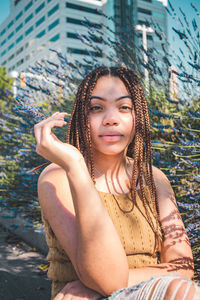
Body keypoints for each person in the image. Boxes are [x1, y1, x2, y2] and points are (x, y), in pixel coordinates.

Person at [34, 66, 199, 300]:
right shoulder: (58, 178)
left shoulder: (155, 179)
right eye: (97, 108)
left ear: (137, 116)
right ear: (82, 117)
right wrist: (76, 166)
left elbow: (183, 268)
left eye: (124, 107)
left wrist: (107, 282)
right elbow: (110, 282)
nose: (111, 119)